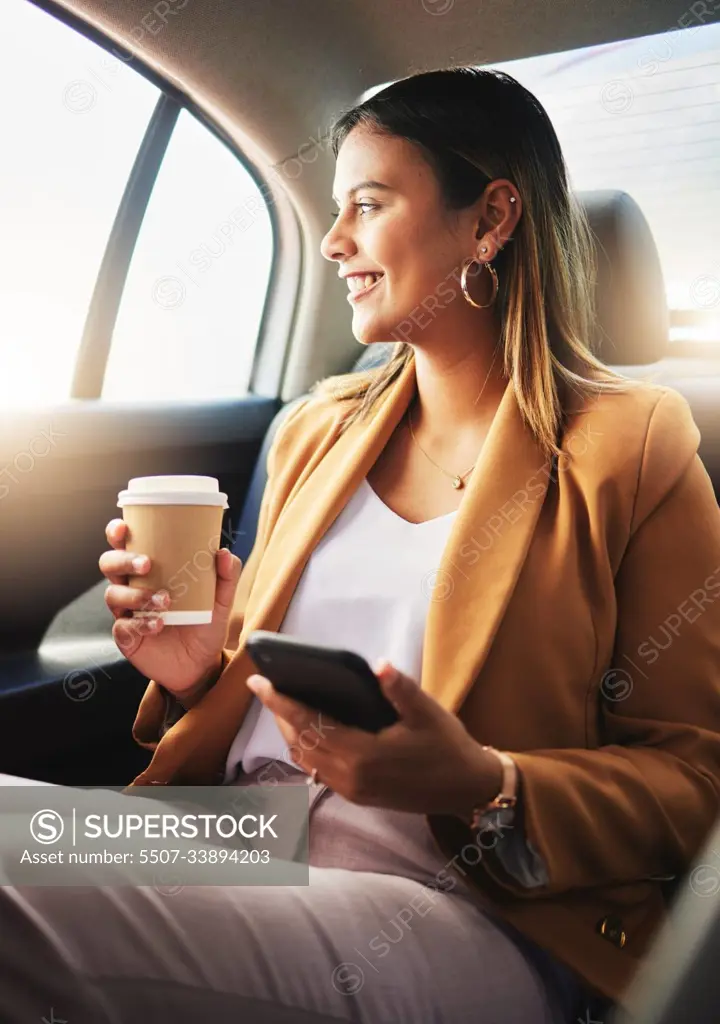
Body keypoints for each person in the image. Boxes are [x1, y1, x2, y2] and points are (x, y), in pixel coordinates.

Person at [1, 66, 719, 1024]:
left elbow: (695, 780)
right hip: (246, 837)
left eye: (369, 204)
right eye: (334, 211)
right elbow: (257, 712)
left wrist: (488, 782)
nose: (335, 242)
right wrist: (193, 673)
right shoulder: (318, 430)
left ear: (490, 219)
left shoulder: (630, 446)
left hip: (467, 900)